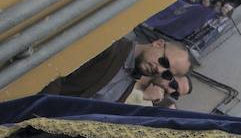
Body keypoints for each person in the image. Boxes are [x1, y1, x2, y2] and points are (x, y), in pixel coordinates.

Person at [41, 38, 191, 103]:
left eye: (167, 73)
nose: (159, 69)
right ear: (158, 44)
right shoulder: (111, 47)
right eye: (164, 61)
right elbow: (55, 72)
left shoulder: (130, 80)